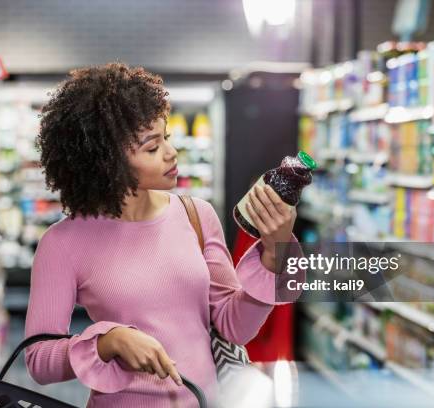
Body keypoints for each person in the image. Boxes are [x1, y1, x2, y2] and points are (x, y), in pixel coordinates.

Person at [24, 62, 301, 407]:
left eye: (166, 137)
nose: (171, 152)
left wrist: (274, 253)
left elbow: (234, 326)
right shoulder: (63, 244)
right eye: (151, 147)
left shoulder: (196, 215)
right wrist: (108, 342)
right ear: (106, 163)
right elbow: (38, 359)